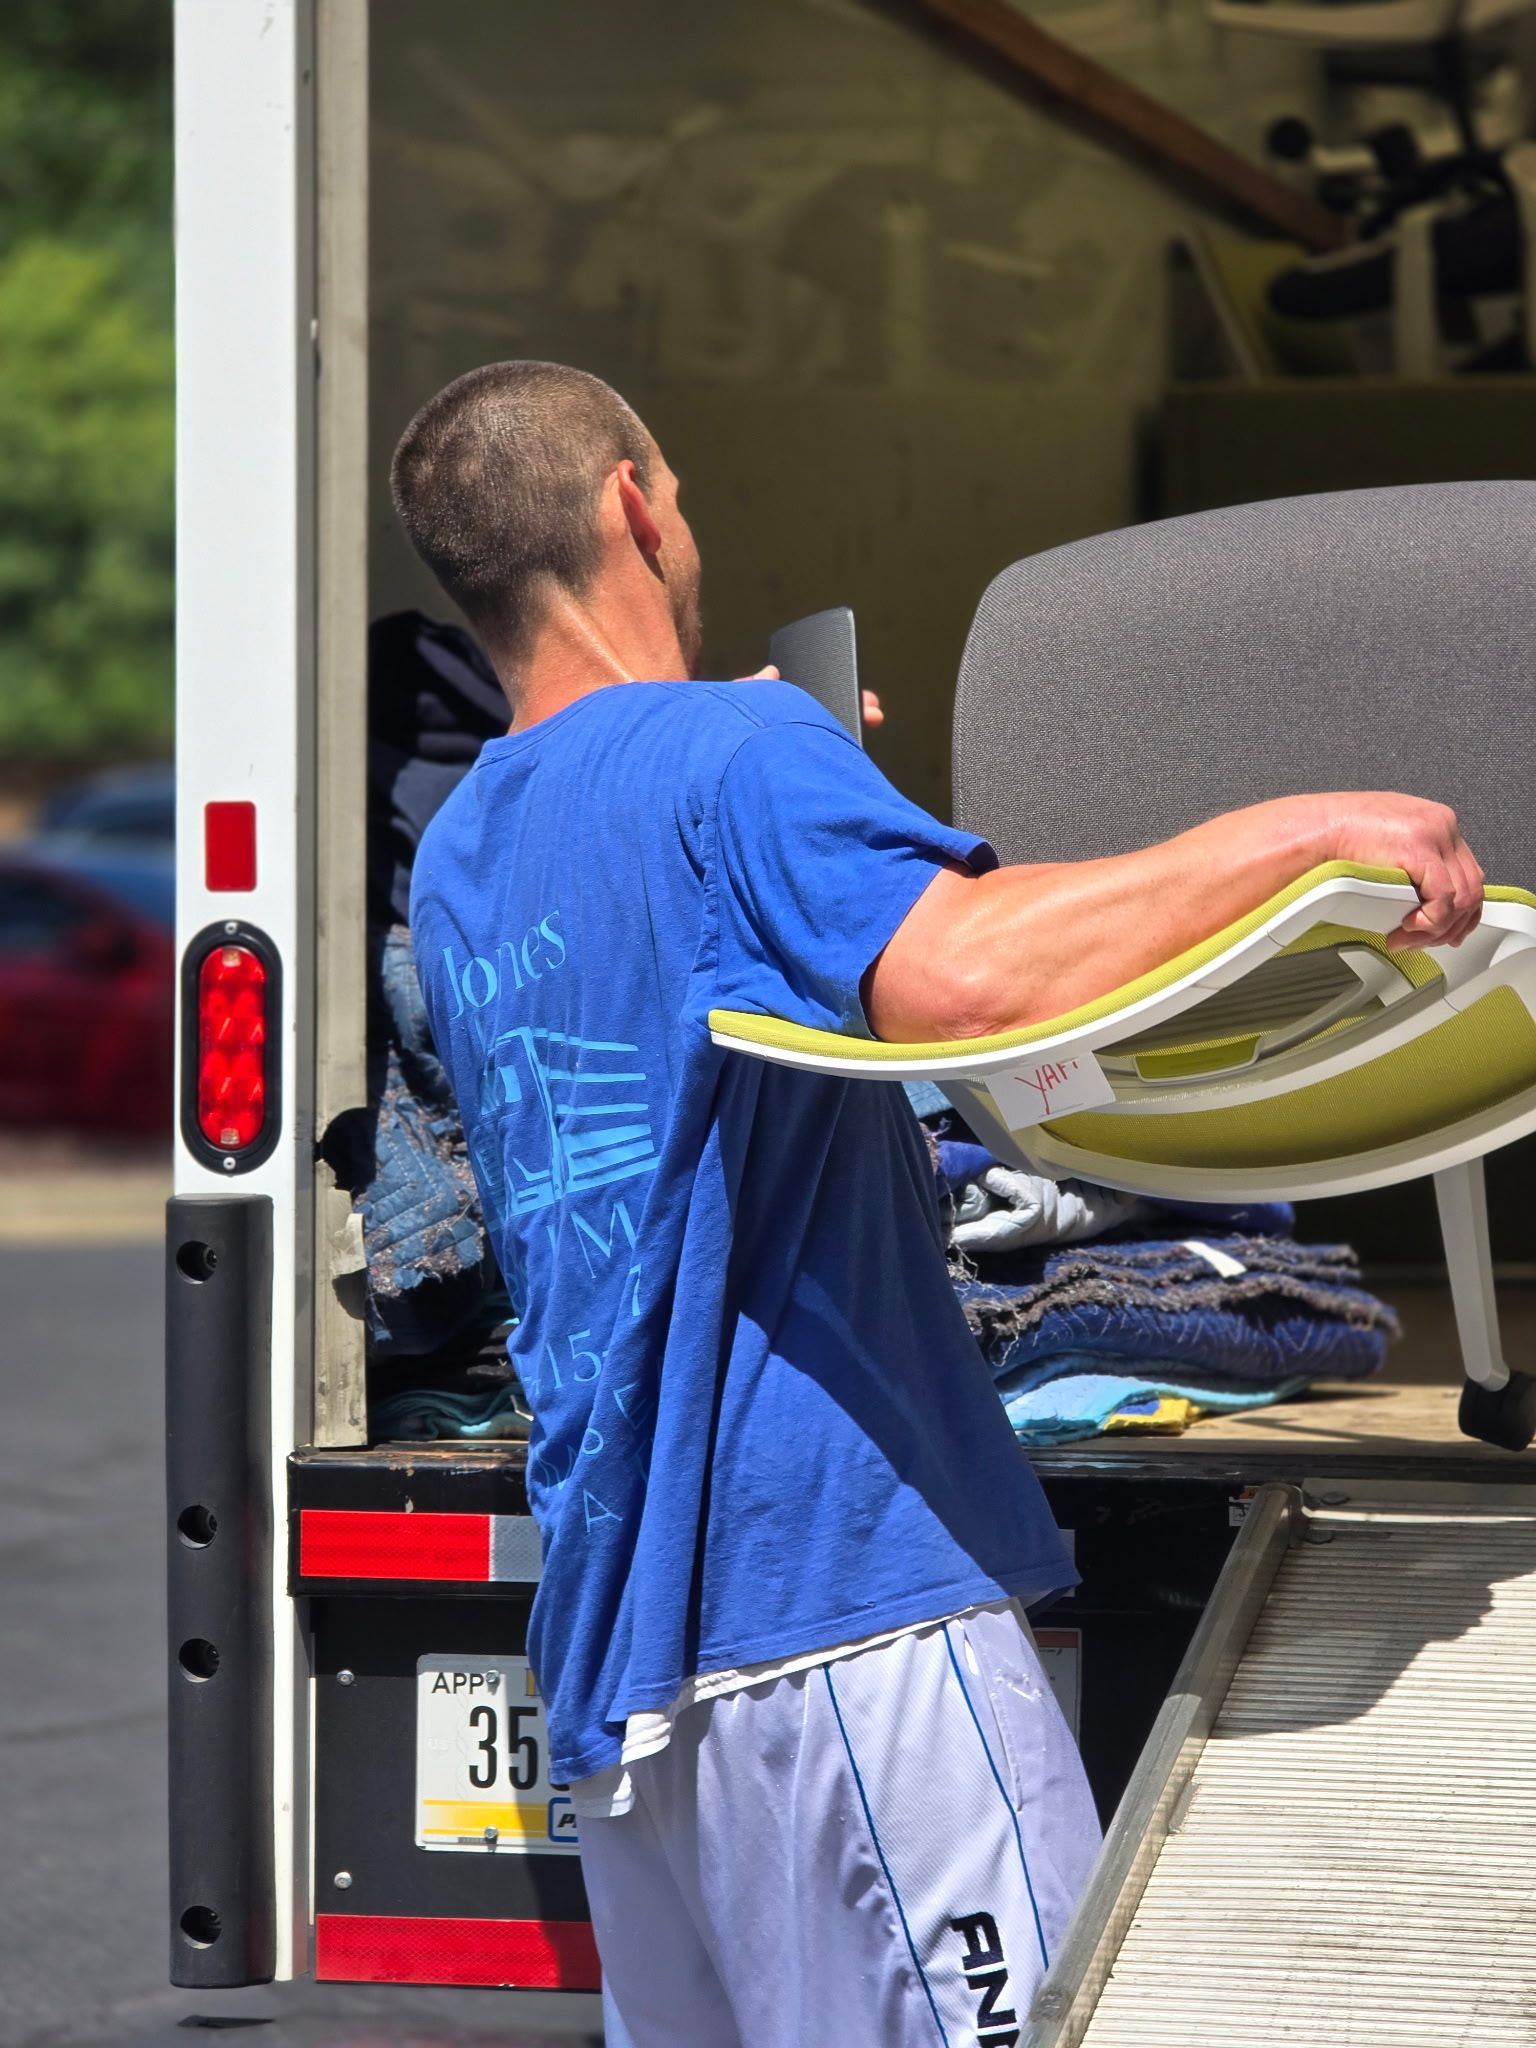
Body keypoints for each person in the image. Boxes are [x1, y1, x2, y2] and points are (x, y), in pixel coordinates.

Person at [392, 361, 1484, 2047]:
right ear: (633, 504)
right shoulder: (732, 756)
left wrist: (769, 778)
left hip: (619, 1650)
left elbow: (653, 988)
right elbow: (968, 981)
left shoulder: (469, 849)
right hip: (841, 1610)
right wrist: (1308, 832)